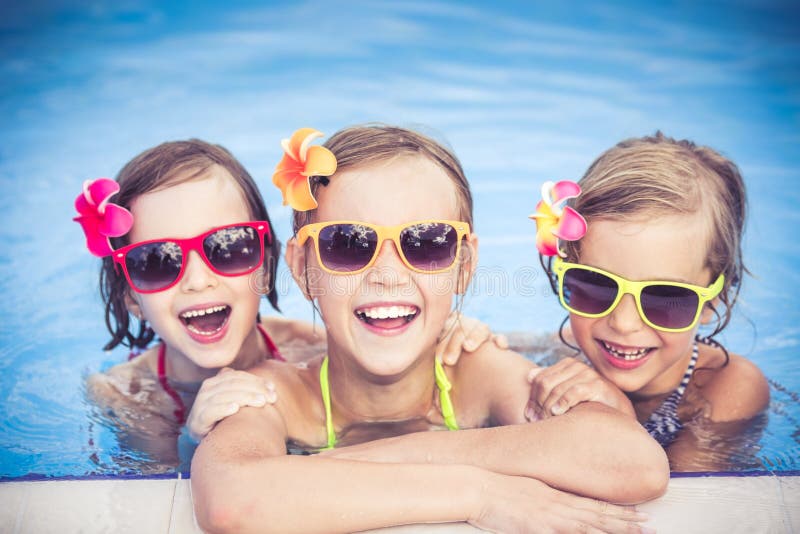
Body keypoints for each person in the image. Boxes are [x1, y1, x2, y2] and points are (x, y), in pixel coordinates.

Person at [191, 125, 668, 533]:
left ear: (464, 266)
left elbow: (633, 460)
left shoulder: (474, 371)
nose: (389, 275)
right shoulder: (276, 395)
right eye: (349, 244)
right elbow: (232, 500)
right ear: (302, 268)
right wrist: (475, 492)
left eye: (427, 243)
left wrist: (328, 470)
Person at [76, 139, 500, 466]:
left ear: (267, 263)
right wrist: (190, 440)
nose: (198, 280)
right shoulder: (126, 394)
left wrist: (458, 330)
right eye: (157, 261)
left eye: (228, 247)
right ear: (130, 293)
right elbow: (158, 499)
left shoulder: (306, 345)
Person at [527, 132, 770, 471]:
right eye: (596, 286)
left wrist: (618, 417)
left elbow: (679, 501)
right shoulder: (565, 354)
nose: (624, 323)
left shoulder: (730, 387)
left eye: (665, 297)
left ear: (714, 300)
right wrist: (464, 336)